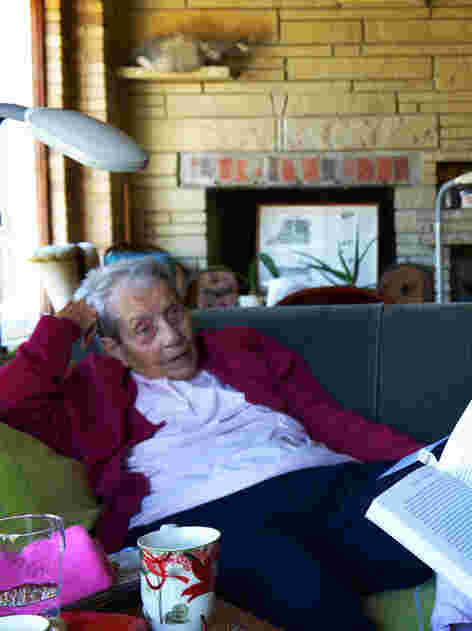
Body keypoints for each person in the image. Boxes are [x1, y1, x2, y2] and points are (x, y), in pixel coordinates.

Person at [0, 256, 431, 630]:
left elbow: (331, 421)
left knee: (451, 496)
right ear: (114, 346)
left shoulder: (243, 348)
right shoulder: (91, 391)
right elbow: (11, 400)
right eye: (144, 329)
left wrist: (424, 461)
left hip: (324, 484)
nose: (171, 336)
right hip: (204, 519)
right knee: (305, 591)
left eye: (174, 314)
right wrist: (64, 327)